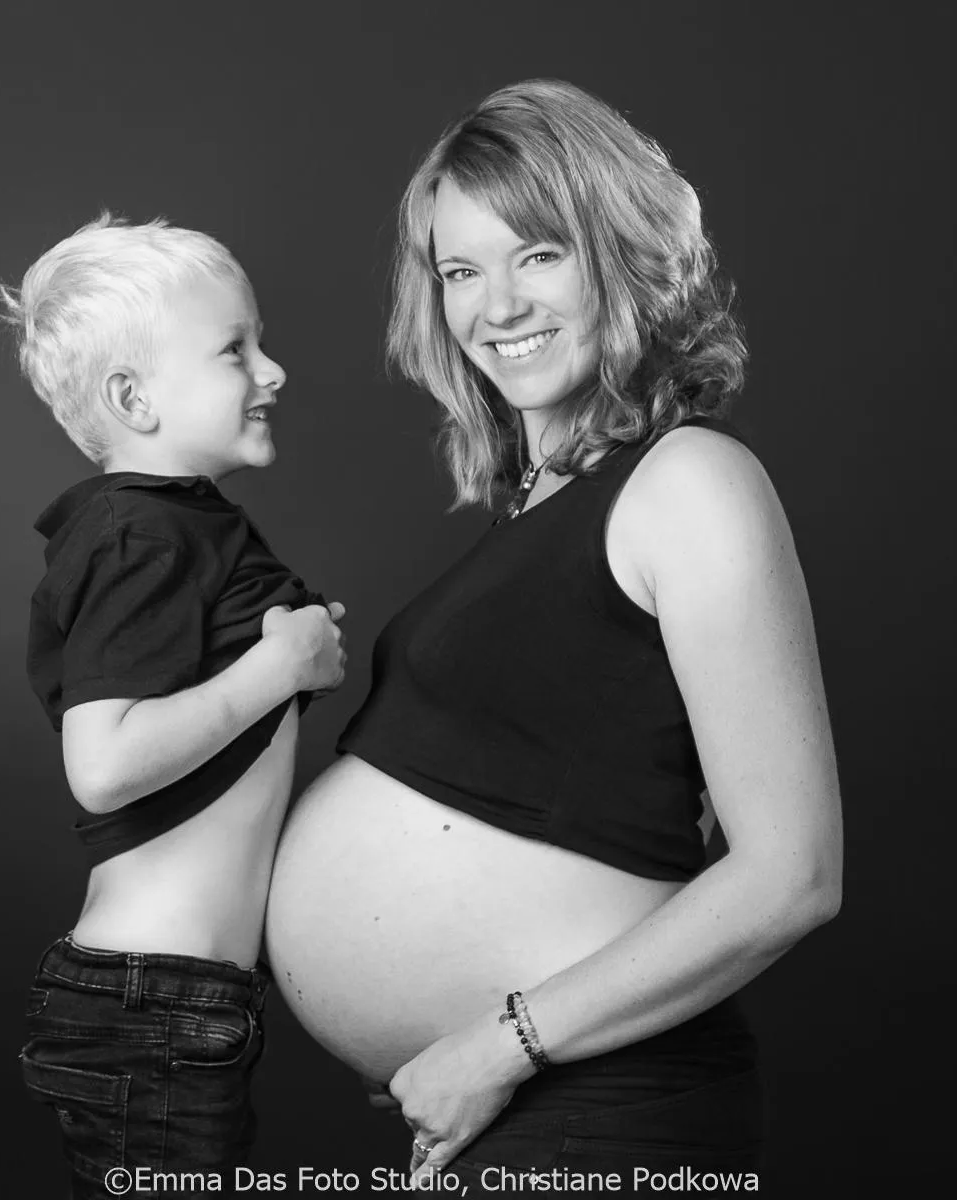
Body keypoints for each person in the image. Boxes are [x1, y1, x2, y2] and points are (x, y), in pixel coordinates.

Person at [265, 79, 842, 1187]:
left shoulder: (690, 480)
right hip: (514, 1110)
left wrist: (500, 1042)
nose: (497, 306)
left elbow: (794, 873)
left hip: (595, 1106)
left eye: (538, 255)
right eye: (460, 272)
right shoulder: (544, 503)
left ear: (620, 254)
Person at [0, 214, 346, 1197]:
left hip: (173, 1001)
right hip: (152, 1003)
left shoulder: (178, 526)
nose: (272, 370)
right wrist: (278, 669)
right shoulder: (138, 533)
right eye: (235, 349)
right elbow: (104, 765)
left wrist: (293, 660)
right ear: (132, 398)